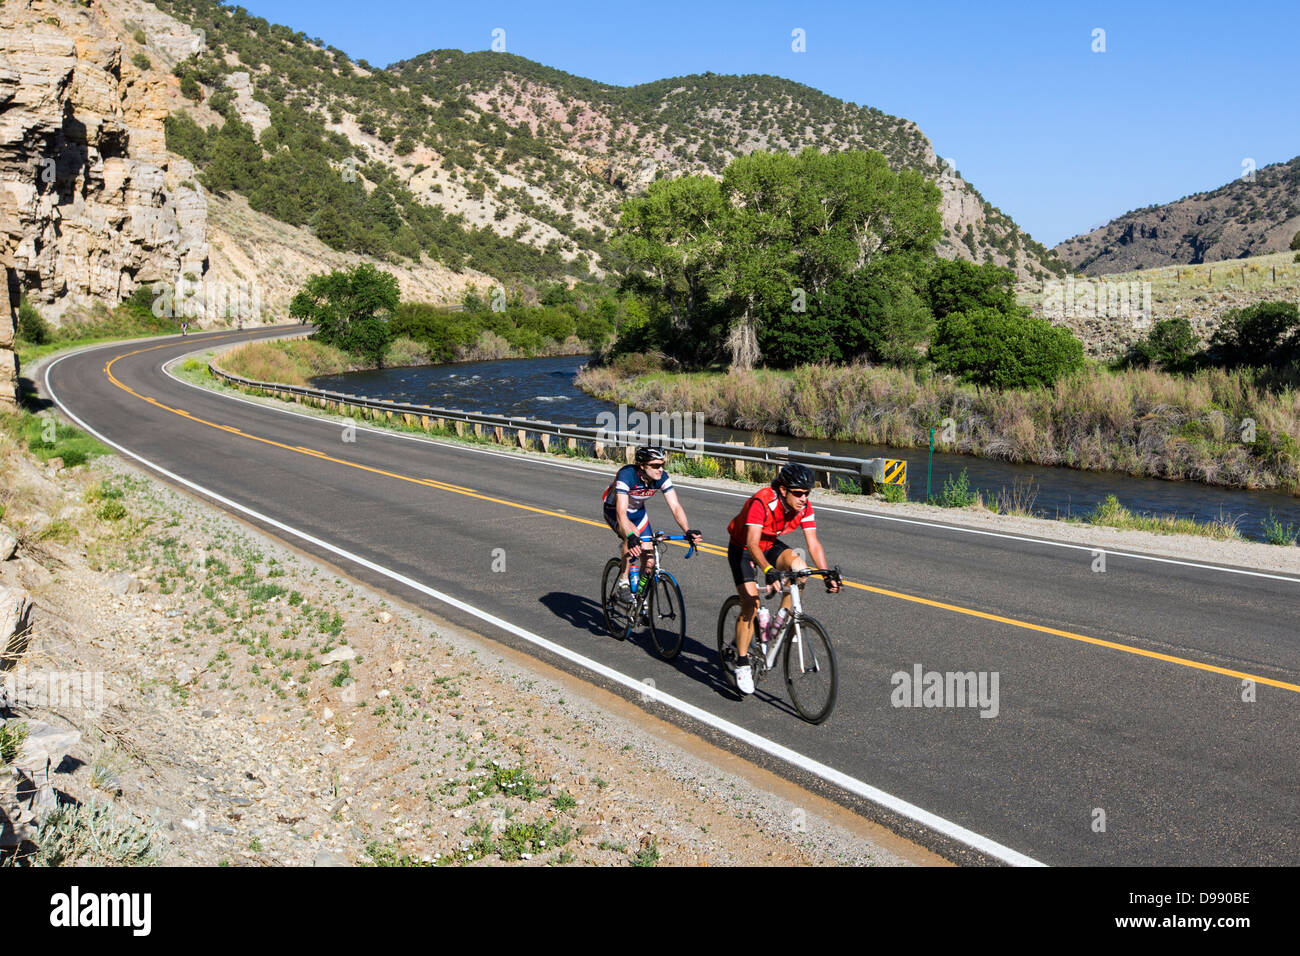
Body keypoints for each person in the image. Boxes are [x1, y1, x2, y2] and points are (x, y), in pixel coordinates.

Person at [725, 462, 840, 695]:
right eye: (798, 493)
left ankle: (781, 620)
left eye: (807, 493)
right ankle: (743, 661)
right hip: (744, 547)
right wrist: (768, 571)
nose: (803, 498)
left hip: (769, 544)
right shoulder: (762, 501)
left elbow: (813, 543)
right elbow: (752, 543)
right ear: (783, 490)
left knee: (801, 568)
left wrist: (826, 573)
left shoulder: (804, 507)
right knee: (751, 604)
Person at [602, 446, 701, 607]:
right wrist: (631, 537)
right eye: (655, 465)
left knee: (649, 561)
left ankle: (639, 599)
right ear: (642, 466)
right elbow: (621, 513)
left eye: (662, 464)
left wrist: (687, 530)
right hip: (614, 511)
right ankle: (623, 583)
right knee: (632, 535)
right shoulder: (626, 475)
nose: (660, 469)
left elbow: (675, 506)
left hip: (638, 513)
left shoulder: (661, 477)